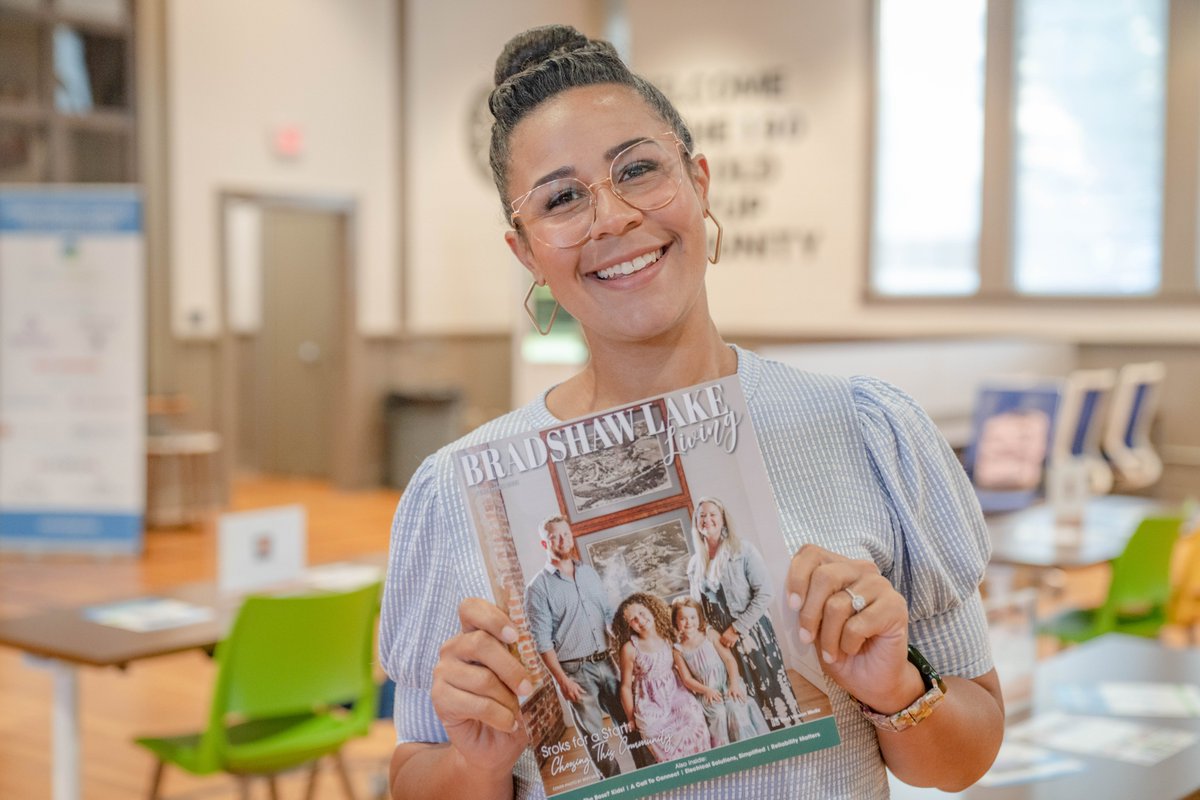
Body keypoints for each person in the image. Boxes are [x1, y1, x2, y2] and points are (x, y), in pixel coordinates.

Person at [381, 23, 1004, 800]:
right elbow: (416, 774)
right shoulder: (457, 495)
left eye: (638, 169)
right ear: (526, 252)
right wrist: (478, 759)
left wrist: (896, 689)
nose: (611, 218)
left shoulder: (860, 429)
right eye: (563, 198)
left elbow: (968, 753)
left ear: (699, 180)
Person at [523, 515, 647, 777]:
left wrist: (632, 648)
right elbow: (542, 641)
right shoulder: (538, 588)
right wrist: (562, 681)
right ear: (544, 544)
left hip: (607, 661)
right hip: (575, 671)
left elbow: (606, 613)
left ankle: (648, 772)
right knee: (595, 737)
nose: (562, 540)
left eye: (565, 534)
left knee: (630, 719)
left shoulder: (589, 573)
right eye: (554, 536)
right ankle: (614, 787)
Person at [685, 496, 801, 730]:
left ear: (723, 520)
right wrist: (710, 633)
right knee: (741, 694)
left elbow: (765, 593)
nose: (706, 519)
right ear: (696, 523)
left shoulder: (743, 549)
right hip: (719, 643)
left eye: (712, 515)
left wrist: (736, 629)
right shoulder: (694, 564)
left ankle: (791, 734)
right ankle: (760, 741)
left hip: (751, 633)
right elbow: (696, 608)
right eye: (701, 516)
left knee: (770, 688)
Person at [612, 593, 711, 762]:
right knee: (652, 731)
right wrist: (630, 718)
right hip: (649, 700)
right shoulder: (629, 649)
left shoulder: (667, 633)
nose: (641, 621)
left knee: (693, 718)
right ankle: (677, 771)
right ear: (629, 626)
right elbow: (625, 687)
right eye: (634, 620)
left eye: (642, 613)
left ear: (650, 609)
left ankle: (703, 763)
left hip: (675, 691)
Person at [671, 596, 769, 746]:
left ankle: (750, 747)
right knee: (718, 715)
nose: (688, 622)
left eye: (692, 617)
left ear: (699, 618)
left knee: (734, 707)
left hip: (727, 683)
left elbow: (729, 660)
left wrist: (734, 684)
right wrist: (706, 691)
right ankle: (726, 753)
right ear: (676, 622)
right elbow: (687, 679)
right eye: (683, 619)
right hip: (707, 690)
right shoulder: (678, 650)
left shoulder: (710, 634)